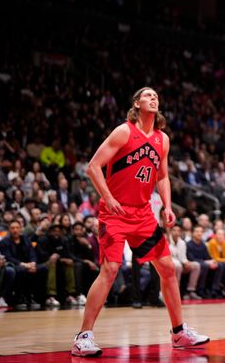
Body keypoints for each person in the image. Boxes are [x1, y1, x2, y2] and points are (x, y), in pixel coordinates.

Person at [71, 87, 208, 357]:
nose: (154, 98)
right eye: (148, 95)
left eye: (156, 95)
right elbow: (93, 167)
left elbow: (162, 177)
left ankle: (179, 332)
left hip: (143, 214)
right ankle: (83, 336)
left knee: (168, 268)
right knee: (110, 269)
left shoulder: (162, 140)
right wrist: (108, 198)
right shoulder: (124, 131)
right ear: (136, 103)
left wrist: (167, 206)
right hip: (115, 213)